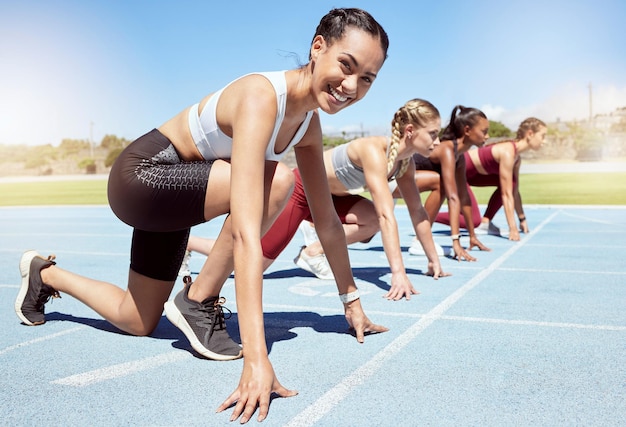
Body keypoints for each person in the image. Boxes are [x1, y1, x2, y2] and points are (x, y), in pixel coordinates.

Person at [14, 8, 389, 424]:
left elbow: (328, 221)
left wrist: (350, 300)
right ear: (318, 47)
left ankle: (44, 274)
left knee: (137, 319)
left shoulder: (308, 124)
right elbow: (247, 234)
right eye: (346, 65)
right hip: (142, 176)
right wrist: (256, 360)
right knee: (279, 181)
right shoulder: (262, 97)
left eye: (367, 78)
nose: (351, 86)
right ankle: (198, 300)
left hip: (177, 197)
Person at [180, 99, 450, 302]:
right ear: (411, 131)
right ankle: (186, 242)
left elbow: (417, 212)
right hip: (301, 191)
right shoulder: (374, 150)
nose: (438, 142)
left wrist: (433, 259)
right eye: (434, 134)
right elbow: (387, 214)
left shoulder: (404, 165)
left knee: (369, 222)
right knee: (254, 261)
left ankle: (312, 251)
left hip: (331, 198)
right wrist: (398, 273)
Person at [395, 105, 492, 261]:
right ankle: (420, 240)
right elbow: (452, 198)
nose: (487, 136)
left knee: (367, 234)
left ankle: (422, 238)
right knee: (440, 183)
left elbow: (463, 197)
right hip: (395, 181)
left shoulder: (459, 156)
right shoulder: (447, 149)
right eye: (484, 131)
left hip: (408, 183)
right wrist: (456, 242)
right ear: (467, 130)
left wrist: (472, 236)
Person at [439, 117, 548, 241]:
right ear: (530, 134)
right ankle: (430, 215)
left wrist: (522, 219)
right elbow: (506, 194)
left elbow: (514, 191)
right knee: (474, 221)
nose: (544, 141)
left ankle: (486, 222)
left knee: (511, 183)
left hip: (472, 176)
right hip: (457, 172)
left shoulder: (516, 159)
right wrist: (512, 228)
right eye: (542, 136)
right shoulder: (508, 152)